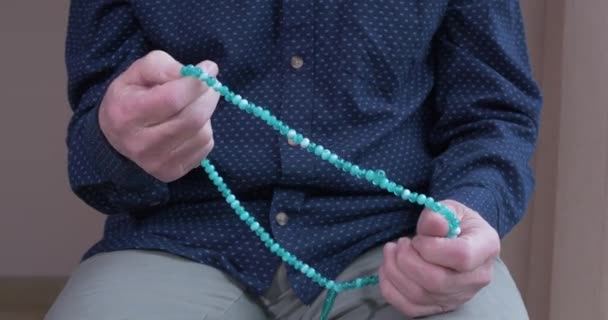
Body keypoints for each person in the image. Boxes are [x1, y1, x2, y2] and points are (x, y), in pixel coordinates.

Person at [46, 0, 542, 319]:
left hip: (397, 242)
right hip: (182, 238)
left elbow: (493, 115)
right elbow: (92, 154)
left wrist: (473, 209)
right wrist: (116, 139)